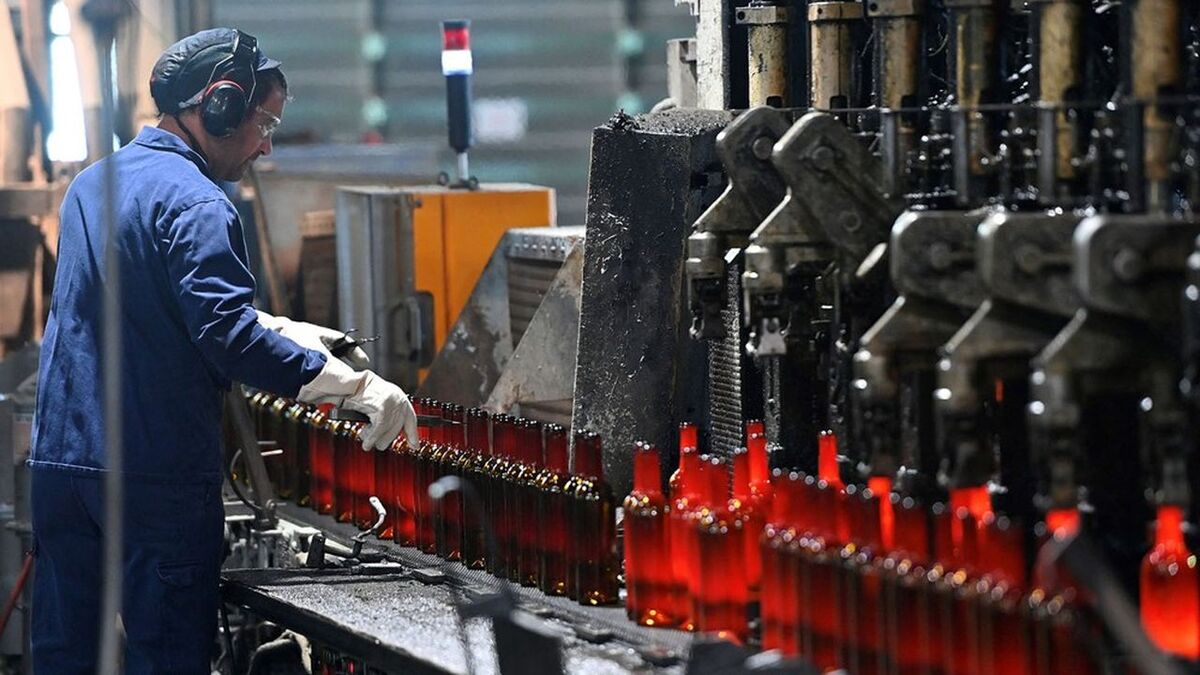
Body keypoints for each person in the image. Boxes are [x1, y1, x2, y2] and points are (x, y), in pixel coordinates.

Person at [27, 28, 417, 673]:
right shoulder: (200, 201)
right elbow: (227, 337)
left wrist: (283, 329)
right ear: (220, 106)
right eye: (264, 123)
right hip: (153, 479)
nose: (266, 144)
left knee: (66, 658)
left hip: (63, 467)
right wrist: (348, 386)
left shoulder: (94, 184)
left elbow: (148, 304)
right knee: (169, 658)